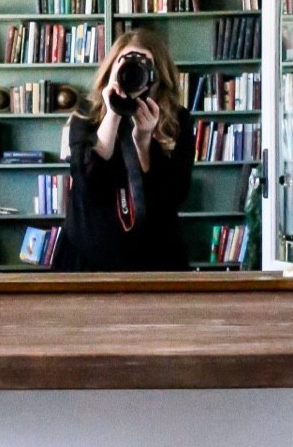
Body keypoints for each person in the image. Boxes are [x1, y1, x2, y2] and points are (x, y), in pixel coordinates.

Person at [56, 28, 195, 272]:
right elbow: (86, 181)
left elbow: (175, 195)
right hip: (89, 255)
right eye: (126, 66)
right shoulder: (85, 114)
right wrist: (112, 114)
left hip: (155, 258)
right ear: (111, 70)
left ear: (158, 75)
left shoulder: (177, 119)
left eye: (143, 67)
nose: (133, 73)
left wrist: (144, 141)